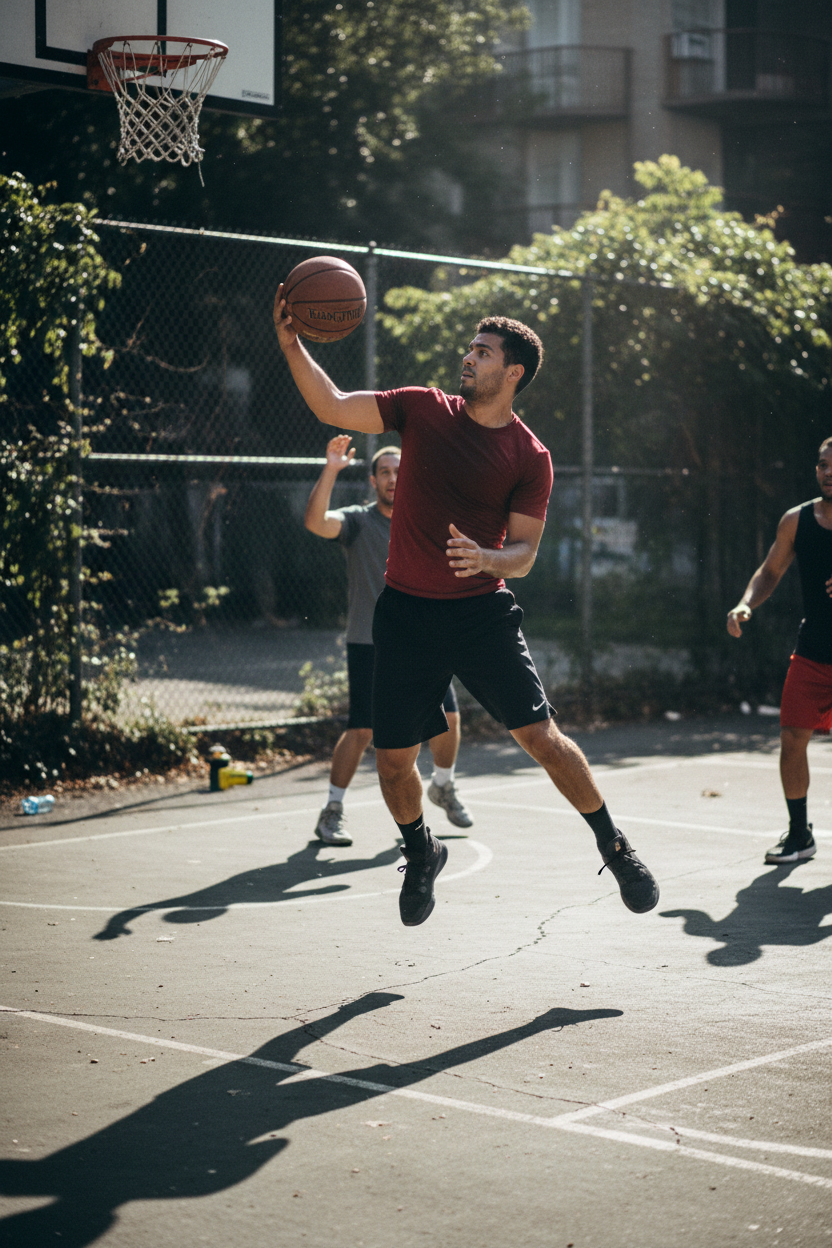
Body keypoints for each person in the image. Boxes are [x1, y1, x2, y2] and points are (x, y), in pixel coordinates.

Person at [275, 293, 659, 926]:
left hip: (481, 614)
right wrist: (294, 344)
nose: (468, 357)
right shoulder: (422, 409)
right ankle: (421, 852)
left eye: (482, 352)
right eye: (470, 348)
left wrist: (490, 558)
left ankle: (615, 846)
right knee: (394, 762)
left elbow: (526, 552)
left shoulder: (529, 456)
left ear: (513, 373)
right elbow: (332, 404)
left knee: (543, 739)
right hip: (405, 614)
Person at [304, 434, 473, 846]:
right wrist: (330, 469)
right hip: (370, 643)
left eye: (401, 472)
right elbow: (315, 522)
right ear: (373, 481)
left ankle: (443, 786)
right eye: (385, 472)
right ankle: (332, 810)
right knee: (362, 729)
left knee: (449, 720)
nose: (394, 478)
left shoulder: (424, 521)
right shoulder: (359, 521)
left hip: (423, 642)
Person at [727, 437, 832, 865]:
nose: (829, 472)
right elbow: (770, 571)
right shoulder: (797, 520)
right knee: (791, 738)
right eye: (824, 464)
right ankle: (799, 832)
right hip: (813, 650)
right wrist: (745, 603)